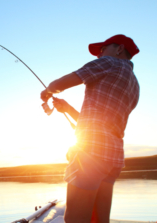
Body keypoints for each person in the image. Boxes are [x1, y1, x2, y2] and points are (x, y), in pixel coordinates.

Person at [40, 34, 140, 223]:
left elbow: (56, 86)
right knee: (99, 220)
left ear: (119, 49)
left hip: (91, 154)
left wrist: (47, 92)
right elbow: (100, 123)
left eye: (103, 49)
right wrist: (68, 108)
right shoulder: (135, 84)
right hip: (113, 158)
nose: (99, 55)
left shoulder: (109, 62)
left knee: (75, 220)